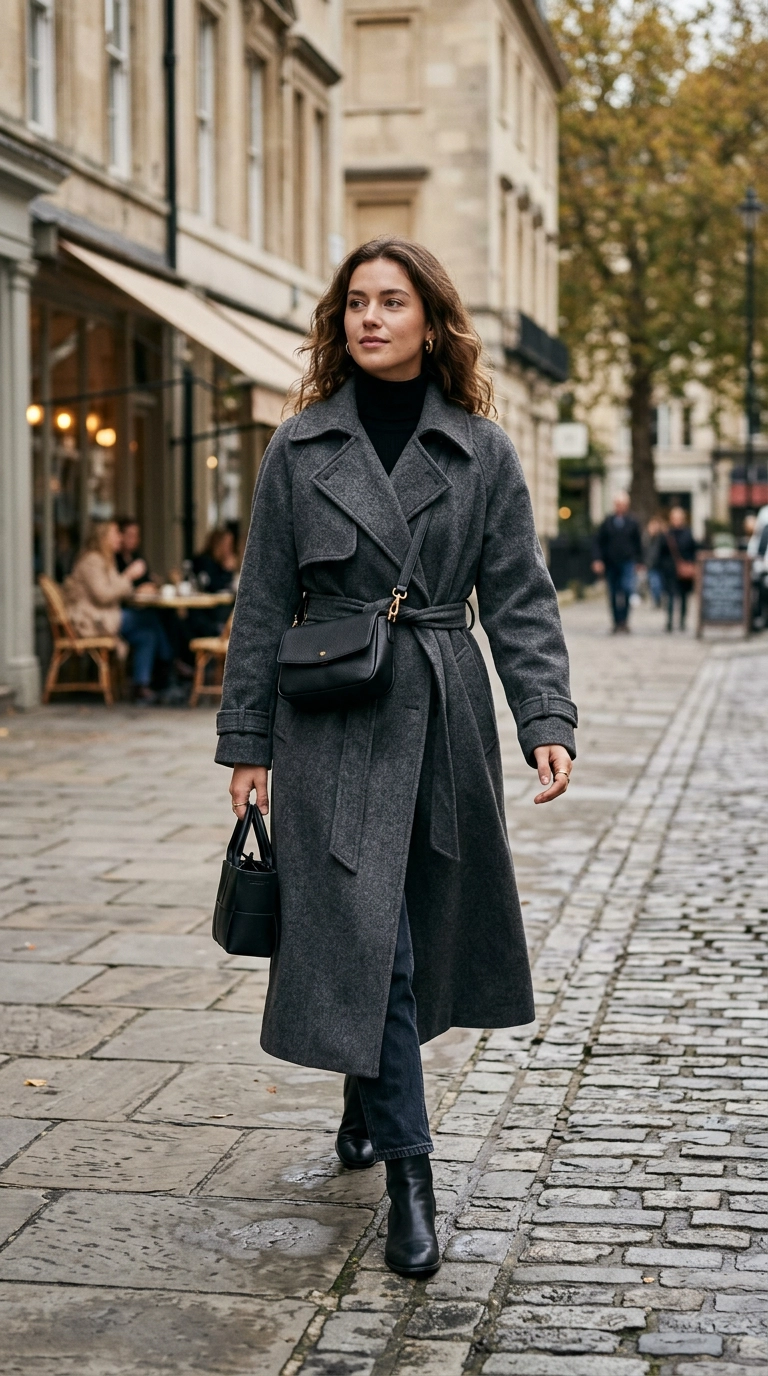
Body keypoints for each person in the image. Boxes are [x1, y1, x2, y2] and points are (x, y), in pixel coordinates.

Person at [215, 236, 578, 1279]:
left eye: (392, 301)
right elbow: (259, 604)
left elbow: (517, 596)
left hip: (438, 712)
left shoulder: (481, 449)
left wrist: (544, 718)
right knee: (375, 938)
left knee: (398, 930)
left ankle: (360, 1098)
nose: (371, 317)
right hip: (328, 720)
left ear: (430, 320)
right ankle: (412, 1176)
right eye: (357, 302)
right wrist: (247, 741)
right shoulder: (298, 448)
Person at [63, 521, 171, 702]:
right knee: (150, 617)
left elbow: (114, 589)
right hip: (93, 620)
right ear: (103, 538)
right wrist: (129, 576)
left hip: (105, 615)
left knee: (147, 634)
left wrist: (137, 587)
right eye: (115, 534)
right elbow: (104, 595)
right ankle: (169, 664)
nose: (120, 538)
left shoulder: (106, 559)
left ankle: (141, 685)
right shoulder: (92, 561)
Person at [591, 492, 643, 632]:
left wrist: (639, 561)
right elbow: (598, 542)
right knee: (613, 593)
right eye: (618, 504)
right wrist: (597, 560)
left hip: (627, 562)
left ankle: (624, 620)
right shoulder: (607, 522)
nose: (620, 507)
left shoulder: (633, 522)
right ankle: (616, 622)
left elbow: (638, 544)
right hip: (611, 562)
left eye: (622, 504)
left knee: (626, 590)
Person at [656, 505, 697, 632]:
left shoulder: (687, 533)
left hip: (684, 571)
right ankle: (669, 621)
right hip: (670, 570)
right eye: (674, 518)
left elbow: (694, 549)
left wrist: (691, 564)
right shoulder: (666, 534)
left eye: (679, 518)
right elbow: (660, 552)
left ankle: (682, 621)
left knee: (684, 597)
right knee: (670, 597)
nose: (677, 520)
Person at [644, 516, 666, 609]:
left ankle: (659, 599)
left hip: (661, 564)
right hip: (650, 564)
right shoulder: (646, 538)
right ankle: (656, 600)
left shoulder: (662, 538)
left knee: (660, 584)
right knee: (654, 584)